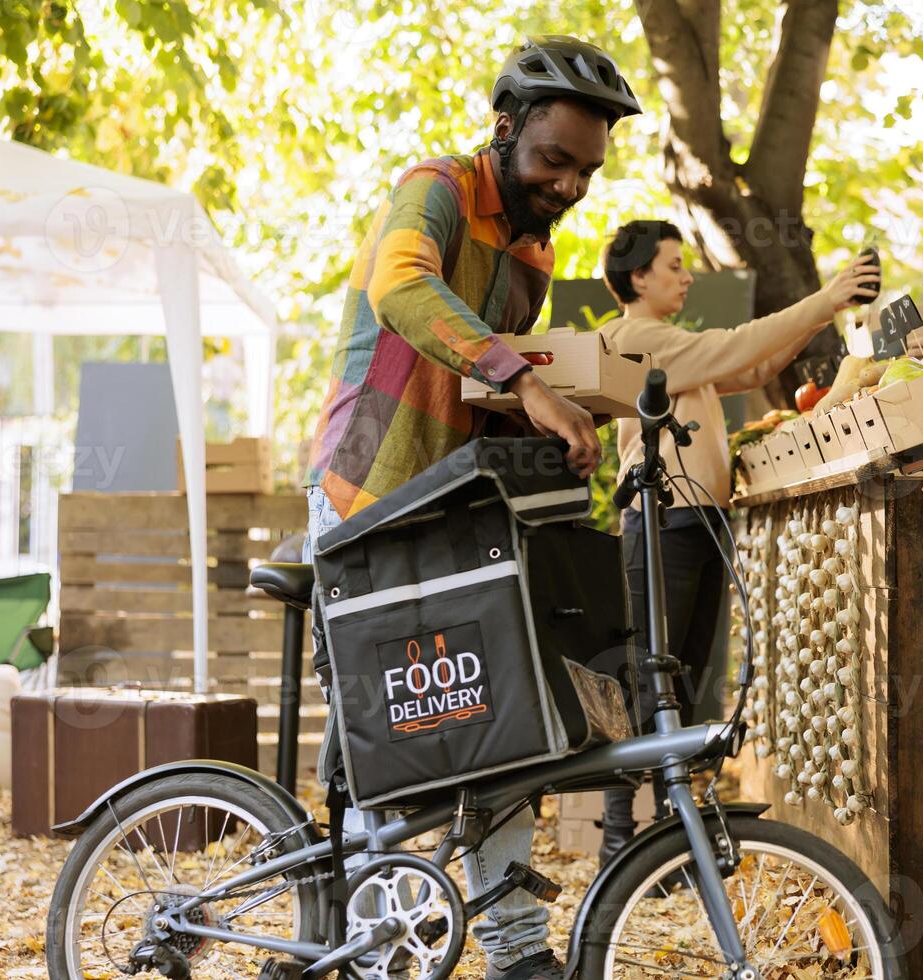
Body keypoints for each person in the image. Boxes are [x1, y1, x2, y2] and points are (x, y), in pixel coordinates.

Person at [303, 36, 642, 980]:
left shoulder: (534, 242)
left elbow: (491, 390)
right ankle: (373, 947)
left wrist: (568, 417)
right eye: (554, 160)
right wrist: (521, 379)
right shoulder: (439, 188)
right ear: (506, 129)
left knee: (495, 722)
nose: (571, 184)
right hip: (370, 494)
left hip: (453, 512)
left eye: (586, 170)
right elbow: (402, 284)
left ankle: (515, 950)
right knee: (390, 737)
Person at [594, 221, 879, 863]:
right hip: (663, 523)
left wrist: (817, 318)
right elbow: (738, 346)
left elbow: (751, 364)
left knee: (687, 683)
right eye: (673, 265)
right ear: (637, 278)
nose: (686, 275)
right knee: (649, 683)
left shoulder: (674, 348)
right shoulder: (637, 337)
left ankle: (668, 842)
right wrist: (826, 300)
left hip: (692, 521)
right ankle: (620, 843)